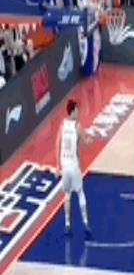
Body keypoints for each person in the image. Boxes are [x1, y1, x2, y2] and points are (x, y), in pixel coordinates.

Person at [57, 99, 92, 237]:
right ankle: (85, 222)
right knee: (80, 192)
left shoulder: (62, 125)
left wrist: (57, 165)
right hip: (73, 165)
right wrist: (91, 139)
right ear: (73, 111)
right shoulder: (77, 126)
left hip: (64, 166)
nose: (78, 112)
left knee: (67, 195)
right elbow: (86, 142)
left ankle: (67, 224)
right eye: (77, 110)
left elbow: (58, 144)